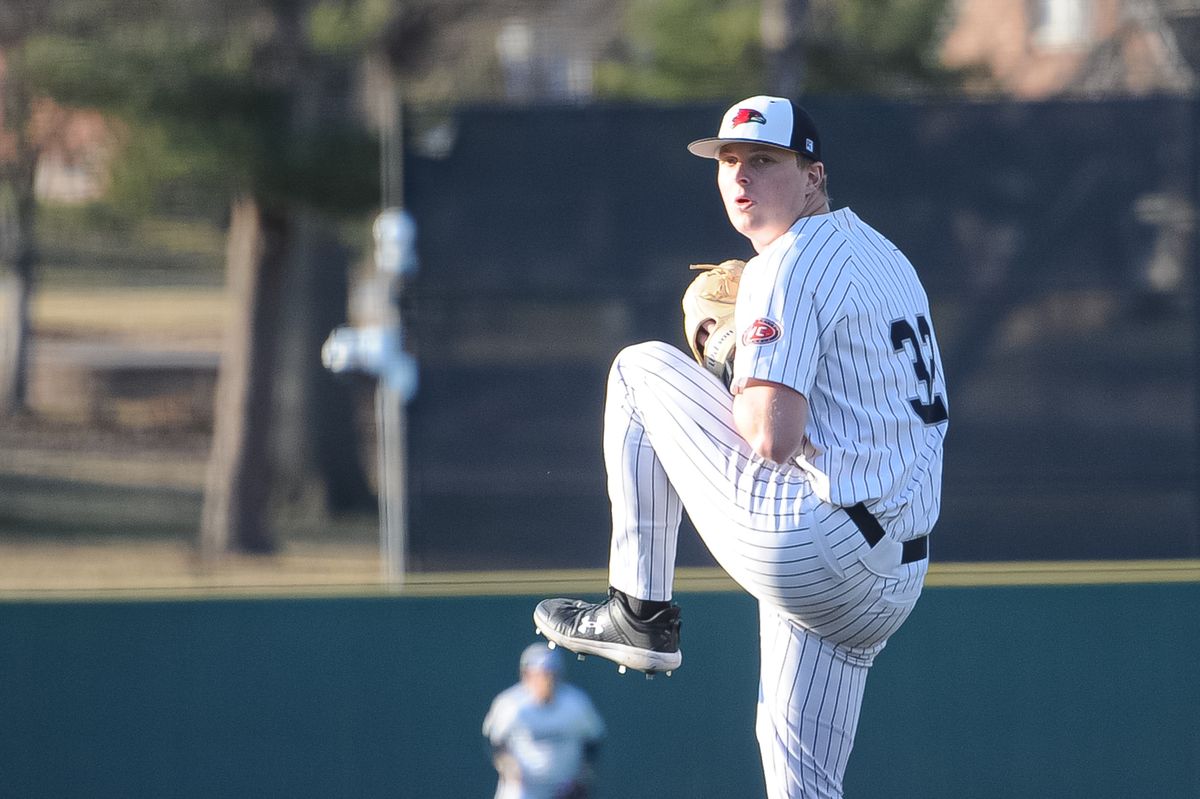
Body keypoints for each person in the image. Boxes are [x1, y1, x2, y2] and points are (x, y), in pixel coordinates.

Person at [533, 95, 948, 798]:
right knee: (801, 781)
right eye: (727, 161)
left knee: (639, 370)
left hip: (822, 546)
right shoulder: (887, 256)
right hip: (897, 573)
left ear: (813, 176)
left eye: (763, 159)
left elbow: (769, 437)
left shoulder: (784, 265)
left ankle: (640, 613)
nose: (740, 176)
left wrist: (727, 351)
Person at [482, 642, 606, 799]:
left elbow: (593, 741)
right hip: (523, 789)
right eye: (539, 674)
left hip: (563, 789)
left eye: (550, 674)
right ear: (526, 674)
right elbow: (492, 740)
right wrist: (508, 765)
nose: (546, 680)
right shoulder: (511, 705)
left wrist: (582, 778)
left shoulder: (575, 704)